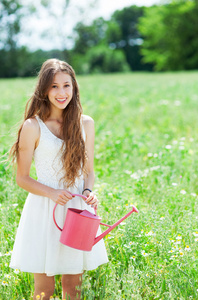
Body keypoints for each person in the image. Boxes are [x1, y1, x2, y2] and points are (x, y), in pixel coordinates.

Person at [9, 59, 108, 300]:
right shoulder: (33, 126)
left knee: (73, 289)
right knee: (44, 291)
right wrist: (52, 193)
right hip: (44, 210)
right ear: (44, 89)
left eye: (66, 85)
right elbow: (22, 178)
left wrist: (87, 192)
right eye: (54, 86)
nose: (61, 92)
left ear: (74, 87)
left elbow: (89, 171)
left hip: (76, 211)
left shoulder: (86, 123)